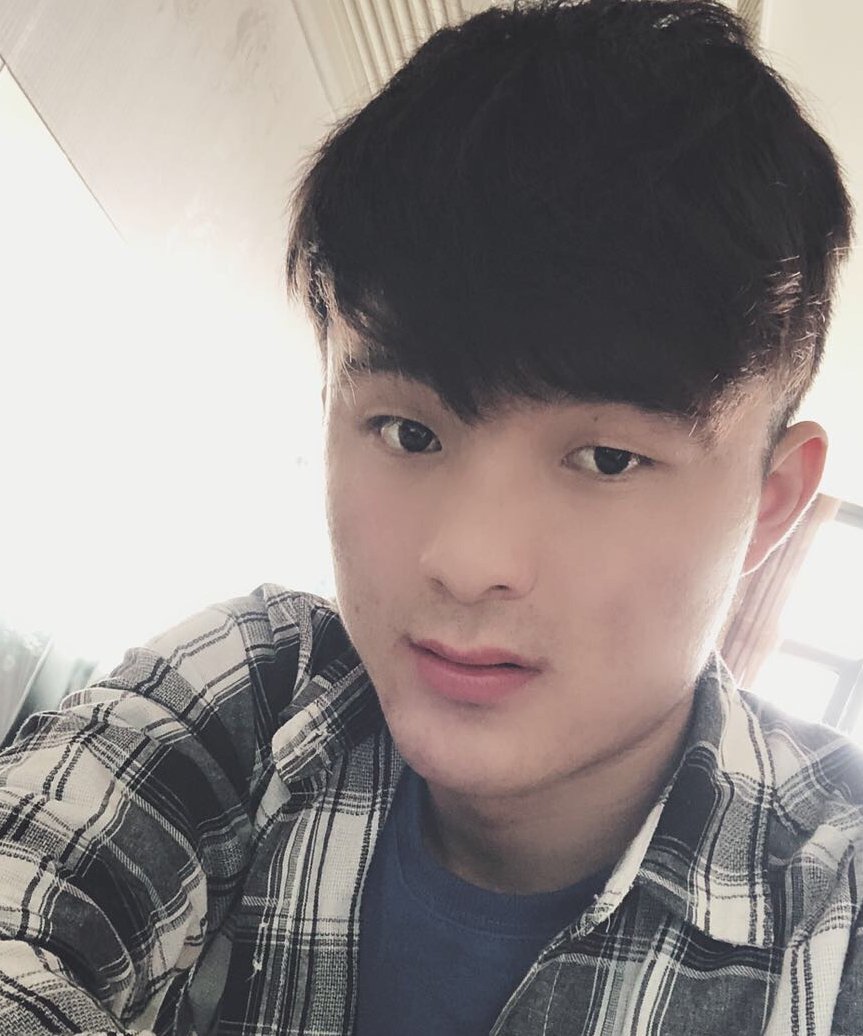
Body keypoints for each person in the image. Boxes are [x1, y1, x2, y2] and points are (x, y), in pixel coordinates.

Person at [0, 0, 858, 1033]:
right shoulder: (254, 693)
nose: (464, 559)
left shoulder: (834, 904)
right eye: (409, 432)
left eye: (605, 458)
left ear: (768, 501)